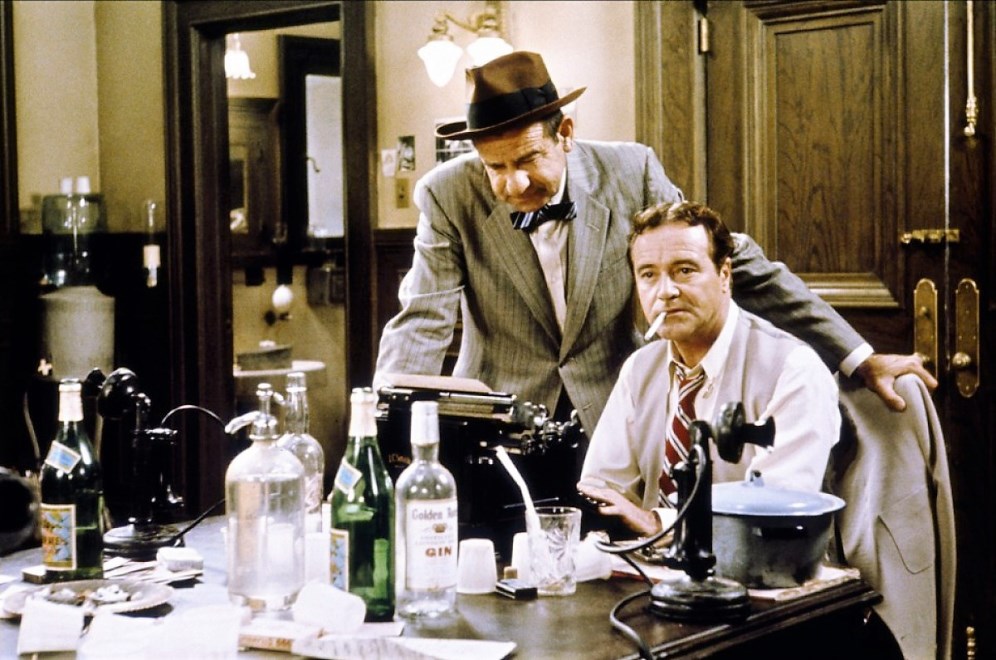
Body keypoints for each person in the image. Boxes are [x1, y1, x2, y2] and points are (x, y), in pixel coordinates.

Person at [373, 50, 934, 439]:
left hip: (624, 418)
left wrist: (857, 356)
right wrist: (381, 428)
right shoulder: (446, 194)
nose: (513, 184)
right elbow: (422, 320)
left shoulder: (631, 171)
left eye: (528, 160)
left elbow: (731, 264)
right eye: (494, 168)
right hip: (504, 431)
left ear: (565, 134)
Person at [578, 201, 840, 536]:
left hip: (766, 564)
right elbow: (603, 488)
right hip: (650, 561)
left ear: (724, 275)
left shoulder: (793, 369)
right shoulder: (639, 368)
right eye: (648, 275)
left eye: (685, 270)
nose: (665, 292)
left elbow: (776, 514)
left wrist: (659, 523)